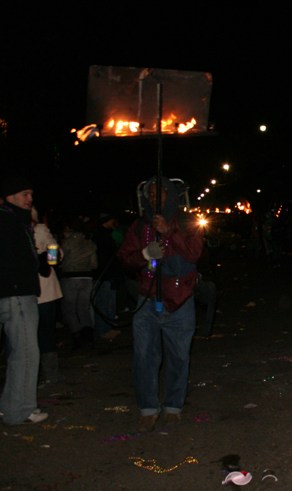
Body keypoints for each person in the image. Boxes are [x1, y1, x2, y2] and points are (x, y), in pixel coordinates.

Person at [117, 177, 203, 432]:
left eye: (161, 193)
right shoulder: (139, 226)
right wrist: (145, 255)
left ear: (172, 195)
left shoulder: (188, 221)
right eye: (151, 194)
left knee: (178, 357)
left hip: (180, 300)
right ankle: (147, 408)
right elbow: (124, 259)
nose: (155, 199)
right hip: (147, 299)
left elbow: (194, 253)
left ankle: (174, 406)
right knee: (144, 357)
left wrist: (169, 232)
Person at [0, 175, 49, 424]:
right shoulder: (9, 221)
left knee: (21, 353)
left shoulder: (17, 221)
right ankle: (17, 409)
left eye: (31, 194)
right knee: (26, 353)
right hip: (15, 294)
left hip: (17, 291)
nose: (30, 199)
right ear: (10, 196)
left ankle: (15, 407)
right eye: (24, 194)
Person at [32, 206, 66, 385]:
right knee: (46, 332)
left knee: (28, 335)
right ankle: (51, 374)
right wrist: (49, 258)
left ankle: (32, 376)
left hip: (24, 290)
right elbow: (55, 255)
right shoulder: (40, 229)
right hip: (43, 290)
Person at [60, 217, 98, 350]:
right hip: (87, 277)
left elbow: (56, 259)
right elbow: (94, 264)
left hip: (70, 277)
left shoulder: (66, 242)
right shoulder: (90, 243)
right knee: (83, 309)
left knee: (69, 309)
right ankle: (88, 339)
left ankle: (77, 339)